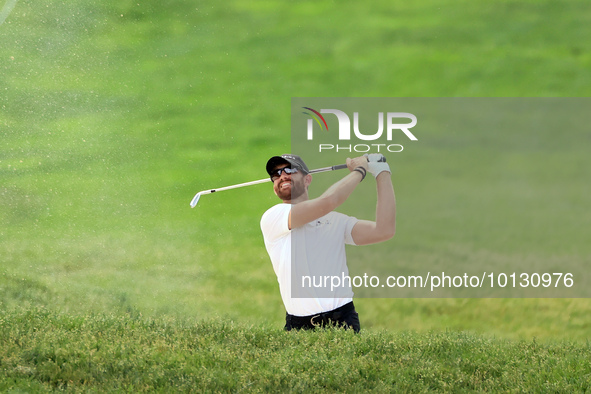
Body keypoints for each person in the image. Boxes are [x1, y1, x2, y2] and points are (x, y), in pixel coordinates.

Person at [260, 153, 396, 333]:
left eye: (290, 169)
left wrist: (381, 172)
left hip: (343, 320)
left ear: (308, 179)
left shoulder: (336, 221)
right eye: (276, 174)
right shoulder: (274, 216)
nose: (282, 176)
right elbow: (329, 201)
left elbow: (384, 230)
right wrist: (360, 170)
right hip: (298, 326)